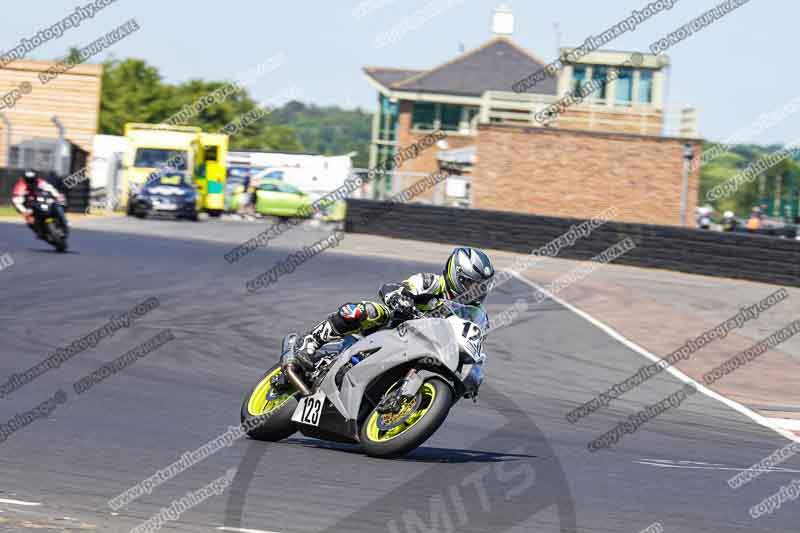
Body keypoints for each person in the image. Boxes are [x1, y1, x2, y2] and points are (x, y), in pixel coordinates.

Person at [294, 247, 496, 373]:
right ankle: (311, 341)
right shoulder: (430, 282)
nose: (475, 290)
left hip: (426, 350)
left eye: (481, 286)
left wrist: (474, 372)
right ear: (456, 275)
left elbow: (475, 346)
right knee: (366, 311)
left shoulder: (477, 315)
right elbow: (391, 288)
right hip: (394, 330)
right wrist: (401, 300)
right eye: (470, 284)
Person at [12, 169, 66, 238]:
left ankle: (64, 223)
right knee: (30, 219)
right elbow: (16, 201)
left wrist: (57, 196)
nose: (31, 182)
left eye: (32, 180)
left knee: (57, 206)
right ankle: (38, 231)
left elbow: (50, 188)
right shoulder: (20, 186)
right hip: (28, 205)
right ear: (24, 179)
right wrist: (24, 212)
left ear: (35, 178)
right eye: (28, 180)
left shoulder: (39, 181)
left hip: (40, 200)